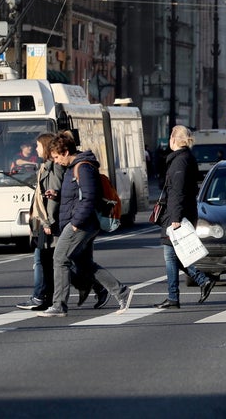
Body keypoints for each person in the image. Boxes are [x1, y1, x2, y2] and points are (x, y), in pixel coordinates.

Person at [38, 132, 134, 317]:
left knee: (59, 258)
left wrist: (76, 223)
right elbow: (78, 195)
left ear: (66, 152)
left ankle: (59, 305)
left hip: (81, 224)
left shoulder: (82, 167)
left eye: (57, 157)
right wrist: (57, 195)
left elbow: (90, 197)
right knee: (84, 265)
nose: (56, 161)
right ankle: (122, 292)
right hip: (80, 222)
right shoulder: (74, 167)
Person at [156, 126, 216, 309]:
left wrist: (175, 217)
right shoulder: (184, 158)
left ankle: (174, 296)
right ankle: (202, 280)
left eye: (171, 136)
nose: (169, 140)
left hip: (177, 214)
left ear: (175, 139)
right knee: (175, 255)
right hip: (181, 212)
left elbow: (178, 192)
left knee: (169, 256)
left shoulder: (180, 161)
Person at [16, 133, 62, 311]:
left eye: (38, 146)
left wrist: (48, 222)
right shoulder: (45, 166)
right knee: (47, 260)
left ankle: (41, 296)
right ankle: (43, 296)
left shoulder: (54, 168)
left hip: (47, 221)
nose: (36, 149)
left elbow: (54, 196)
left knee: (47, 260)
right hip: (42, 220)